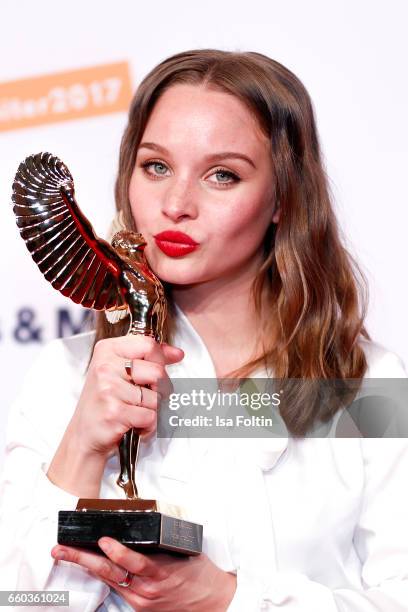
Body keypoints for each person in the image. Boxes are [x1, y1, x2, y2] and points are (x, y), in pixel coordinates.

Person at [1, 48, 408, 611]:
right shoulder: (70, 373)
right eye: (156, 166)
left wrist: (227, 599)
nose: (176, 204)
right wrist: (82, 447)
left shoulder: (367, 383)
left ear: (283, 200)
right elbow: (20, 604)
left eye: (222, 175)